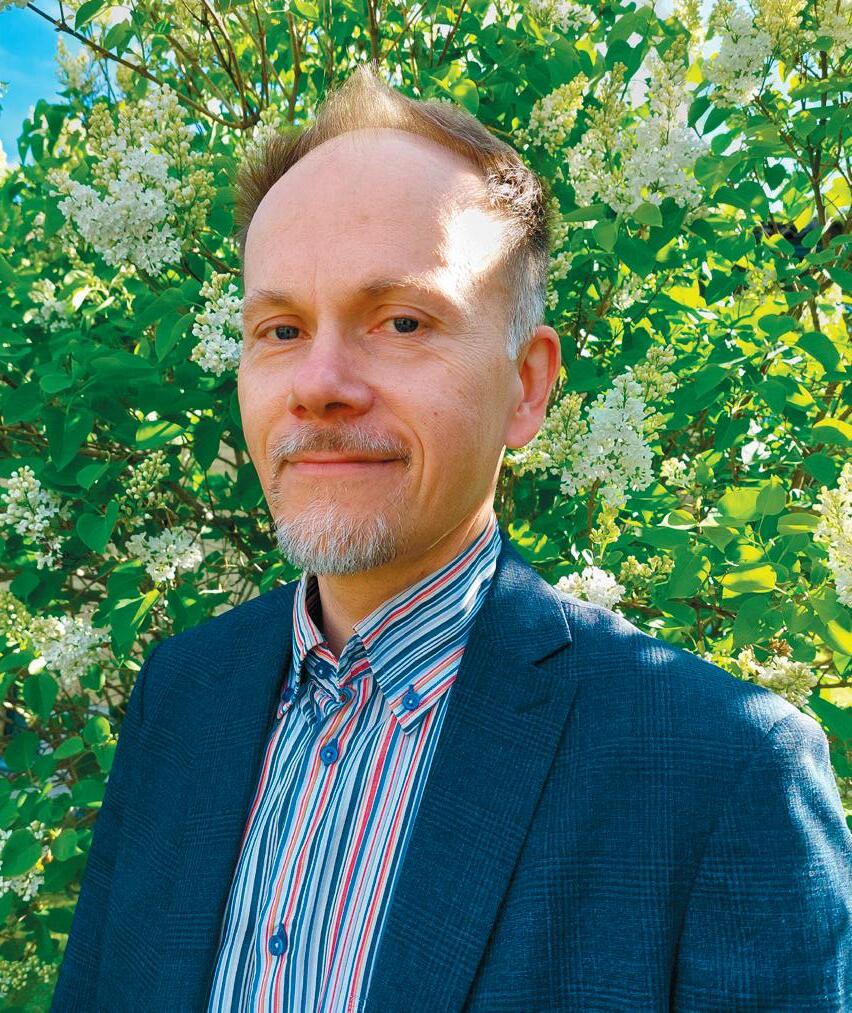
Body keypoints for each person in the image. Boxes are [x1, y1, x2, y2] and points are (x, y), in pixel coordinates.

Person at [51, 63, 851, 1013]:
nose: (319, 384)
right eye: (280, 329)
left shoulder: (725, 772)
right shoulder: (182, 697)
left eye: (401, 320)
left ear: (526, 385)